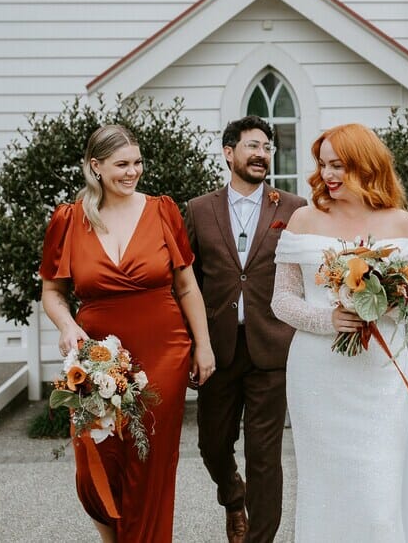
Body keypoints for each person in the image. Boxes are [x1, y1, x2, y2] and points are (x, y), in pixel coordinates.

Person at [39, 124, 215, 542]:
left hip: (164, 352)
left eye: (137, 162)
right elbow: (51, 292)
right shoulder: (68, 219)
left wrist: (203, 346)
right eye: (121, 164)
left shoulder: (162, 210)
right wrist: (68, 325)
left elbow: (187, 286)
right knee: (94, 463)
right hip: (97, 359)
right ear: (95, 167)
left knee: (149, 461)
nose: (132, 171)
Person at [271, 123, 408, 542]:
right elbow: (282, 299)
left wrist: (382, 301)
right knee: (324, 487)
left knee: (378, 493)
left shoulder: (399, 222)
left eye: (339, 166)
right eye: (324, 164)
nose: (328, 175)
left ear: (366, 167)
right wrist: (327, 319)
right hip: (318, 372)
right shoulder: (303, 218)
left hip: (380, 373)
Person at [184, 115, 306, 543]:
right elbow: (187, 282)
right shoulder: (199, 210)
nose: (261, 154)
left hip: (272, 349)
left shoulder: (292, 209)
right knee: (212, 446)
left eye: (267, 147)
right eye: (253, 145)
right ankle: (233, 497)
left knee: (264, 457)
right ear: (228, 152)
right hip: (216, 350)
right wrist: (193, 345)